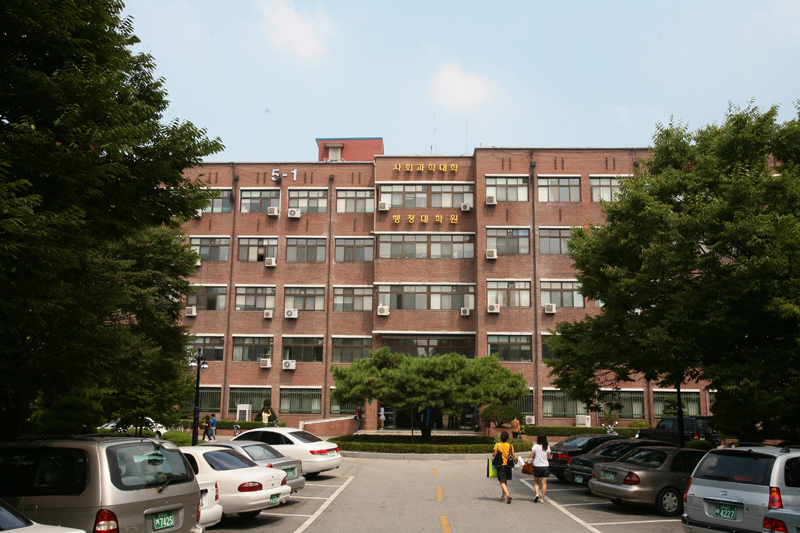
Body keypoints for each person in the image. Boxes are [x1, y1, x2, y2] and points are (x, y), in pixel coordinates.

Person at [492, 431, 515, 504]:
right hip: (508, 465)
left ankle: (508, 495)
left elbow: (495, 454)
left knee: (502, 481)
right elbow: (513, 456)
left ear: (500, 437)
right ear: (507, 438)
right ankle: (503, 496)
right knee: (505, 481)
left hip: (500, 465)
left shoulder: (497, 445)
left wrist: (493, 455)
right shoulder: (510, 446)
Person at [528, 433, 550, 503]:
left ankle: (537, 494)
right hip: (545, 466)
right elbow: (549, 457)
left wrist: (531, 458)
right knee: (544, 483)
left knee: (536, 482)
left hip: (537, 466)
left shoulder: (535, 446)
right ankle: (542, 499)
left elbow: (531, 455)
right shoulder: (547, 447)